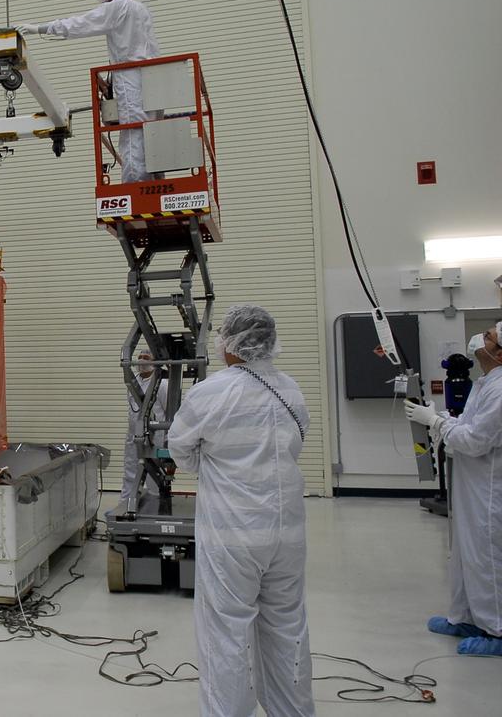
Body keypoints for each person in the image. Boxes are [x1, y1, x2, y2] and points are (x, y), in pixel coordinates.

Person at [169, 305, 314, 717]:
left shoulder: (211, 392)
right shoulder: (291, 389)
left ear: (231, 343)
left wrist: (218, 469)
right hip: (287, 530)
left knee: (227, 631)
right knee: (287, 627)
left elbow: (181, 450)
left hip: (232, 533)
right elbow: (293, 446)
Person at [406, 321, 502, 657]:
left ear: (499, 353)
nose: (481, 337)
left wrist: (435, 423)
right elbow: (470, 423)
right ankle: (465, 617)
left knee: (488, 557)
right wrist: (443, 416)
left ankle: (497, 630)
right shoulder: (487, 382)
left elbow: (476, 441)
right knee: (463, 554)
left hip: (490, 489)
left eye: (488, 336)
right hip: (470, 483)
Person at [17, 0, 160, 183]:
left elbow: (81, 23)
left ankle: (135, 187)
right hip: (152, 77)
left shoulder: (118, 7)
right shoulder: (140, 8)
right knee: (150, 132)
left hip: (130, 78)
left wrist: (39, 29)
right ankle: (155, 180)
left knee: (132, 133)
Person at [120, 350, 169, 508]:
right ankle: (125, 506)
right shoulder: (133, 382)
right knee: (130, 472)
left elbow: (170, 413)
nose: (141, 360)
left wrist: (168, 439)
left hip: (155, 437)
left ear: (155, 362)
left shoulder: (162, 384)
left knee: (154, 475)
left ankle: (157, 508)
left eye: (146, 357)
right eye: (140, 357)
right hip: (134, 435)